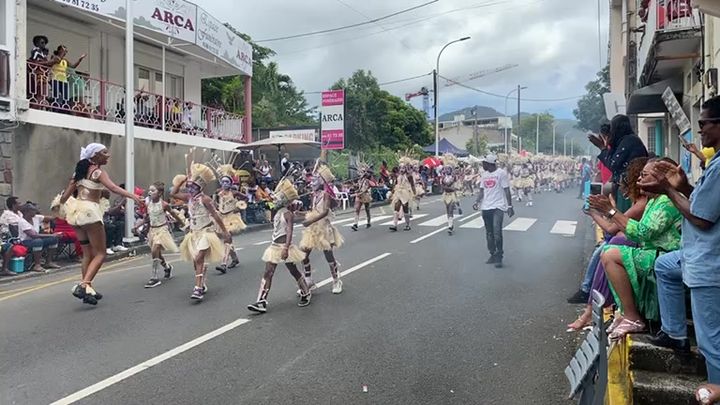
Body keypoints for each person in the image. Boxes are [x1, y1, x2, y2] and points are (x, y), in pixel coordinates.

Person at [638, 97, 720, 396]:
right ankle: (675, 334)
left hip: (710, 263)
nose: (700, 131)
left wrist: (668, 191)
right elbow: (703, 202)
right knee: (665, 267)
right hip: (696, 255)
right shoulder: (715, 164)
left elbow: (701, 218)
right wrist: (684, 187)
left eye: (704, 124)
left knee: (712, 343)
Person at [589, 158, 682, 340]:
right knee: (610, 250)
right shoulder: (654, 200)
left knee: (611, 255)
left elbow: (643, 232)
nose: (639, 180)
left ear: (661, 179)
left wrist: (611, 211)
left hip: (668, 257)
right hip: (655, 253)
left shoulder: (666, 201)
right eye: (639, 175)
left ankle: (632, 317)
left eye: (645, 176)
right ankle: (626, 313)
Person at [566, 158, 649, 331]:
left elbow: (613, 228)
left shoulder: (642, 203)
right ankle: (590, 305)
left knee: (611, 245)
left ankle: (590, 306)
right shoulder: (641, 202)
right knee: (608, 247)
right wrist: (608, 209)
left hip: (646, 247)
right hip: (637, 243)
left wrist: (596, 212)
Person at [59, 143, 142, 305]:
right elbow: (113, 188)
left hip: (77, 214)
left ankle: (87, 290)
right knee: (101, 253)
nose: (108, 155)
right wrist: (133, 196)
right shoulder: (98, 172)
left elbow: (64, 198)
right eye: (104, 152)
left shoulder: (78, 174)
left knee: (87, 254)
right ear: (95, 156)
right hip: (90, 213)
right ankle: (83, 285)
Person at [171, 160, 231, 301]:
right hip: (194, 233)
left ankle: (197, 288)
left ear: (200, 188)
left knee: (199, 258)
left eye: (193, 187)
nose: (190, 189)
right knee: (196, 261)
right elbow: (173, 194)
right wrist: (183, 181)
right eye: (189, 187)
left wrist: (225, 232)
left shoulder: (206, 199)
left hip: (206, 232)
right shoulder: (188, 198)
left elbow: (215, 215)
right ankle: (202, 282)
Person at [248, 185, 311, 313]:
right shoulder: (277, 212)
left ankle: (306, 292)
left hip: (284, 247)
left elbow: (289, 232)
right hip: (274, 246)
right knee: (268, 272)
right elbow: (268, 204)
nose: (275, 199)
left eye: (279, 197)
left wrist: (286, 248)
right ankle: (261, 301)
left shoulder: (288, 214)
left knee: (293, 270)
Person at [299, 162, 344, 294]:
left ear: (322, 181)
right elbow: (314, 210)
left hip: (324, 228)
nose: (312, 182)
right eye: (312, 179)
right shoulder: (314, 195)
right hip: (313, 229)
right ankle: (309, 280)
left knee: (329, 257)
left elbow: (324, 212)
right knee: (303, 254)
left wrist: (310, 220)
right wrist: (300, 214)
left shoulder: (326, 194)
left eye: (315, 179)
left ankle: (336, 281)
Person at [590, 114, 648, 212]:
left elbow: (613, 164)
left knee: (622, 214)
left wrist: (602, 147)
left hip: (629, 186)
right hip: (626, 186)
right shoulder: (626, 141)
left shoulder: (629, 141)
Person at [135, 182, 183, 288]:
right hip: (152, 230)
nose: (150, 192)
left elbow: (174, 214)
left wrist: (182, 222)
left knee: (155, 249)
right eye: (149, 190)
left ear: (160, 193)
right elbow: (146, 218)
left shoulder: (164, 205)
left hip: (162, 230)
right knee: (157, 253)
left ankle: (154, 277)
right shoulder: (148, 204)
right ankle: (167, 267)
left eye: (153, 190)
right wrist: (137, 226)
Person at [473, 155, 514, 268]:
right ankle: (492, 253)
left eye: (485, 163)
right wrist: (477, 202)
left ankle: (499, 256)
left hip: (498, 206)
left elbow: (506, 190)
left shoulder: (501, 173)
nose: (483, 165)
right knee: (489, 233)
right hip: (486, 207)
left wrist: (509, 206)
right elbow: (482, 190)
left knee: (497, 232)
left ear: (490, 164)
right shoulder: (484, 175)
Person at [213, 170, 247, 273]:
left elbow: (245, 198)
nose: (225, 184)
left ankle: (223, 263)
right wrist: (215, 207)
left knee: (227, 239)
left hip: (232, 216)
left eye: (227, 182)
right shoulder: (218, 192)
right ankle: (235, 259)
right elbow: (213, 201)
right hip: (222, 217)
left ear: (231, 183)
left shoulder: (234, 192)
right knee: (228, 239)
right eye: (223, 182)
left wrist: (240, 207)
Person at [17, 203, 61, 272]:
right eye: (33, 210)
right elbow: (33, 235)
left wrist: (59, 212)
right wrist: (52, 234)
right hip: (25, 242)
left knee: (54, 239)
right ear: (27, 212)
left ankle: (48, 262)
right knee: (38, 241)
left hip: (36, 240)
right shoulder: (22, 221)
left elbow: (52, 218)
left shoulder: (36, 217)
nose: (36, 211)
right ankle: (37, 265)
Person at [49, 45, 85, 112]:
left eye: (66, 51)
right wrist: (62, 53)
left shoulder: (65, 60)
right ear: (59, 50)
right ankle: (55, 109)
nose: (65, 52)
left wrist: (80, 60)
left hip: (64, 80)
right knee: (56, 95)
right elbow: (58, 61)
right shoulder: (54, 57)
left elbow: (73, 66)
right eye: (64, 50)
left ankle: (64, 110)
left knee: (65, 96)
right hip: (55, 79)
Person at [389, 159, 416, 232]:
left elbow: (413, 185)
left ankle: (408, 224)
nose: (401, 169)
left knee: (405, 209)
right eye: (400, 168)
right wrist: (391, 193)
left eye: (403, 168)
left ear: (406, 168)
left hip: (405, 193)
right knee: (396, 207)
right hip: (398, 192)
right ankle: (395, 225)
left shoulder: (409, 176)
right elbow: (396, 185)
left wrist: (414, 193)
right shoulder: (398, 176)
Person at [440, 157, 461, 235]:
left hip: (452, 195)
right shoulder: (443, 178)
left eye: (448, 169)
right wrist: (447, 187)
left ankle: (450, 226)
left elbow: (452, 186)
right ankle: (450, 224)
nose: (447, 170)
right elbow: (443, 187)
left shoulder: (453, 177)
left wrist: (449, 187)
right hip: (446, 195)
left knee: (450, 210)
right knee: (447, 210)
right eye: (446, 169)